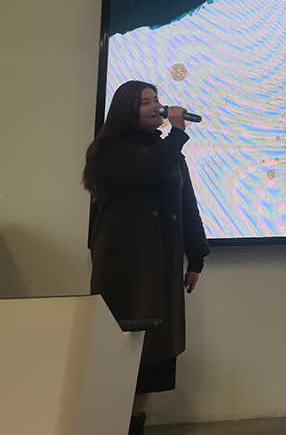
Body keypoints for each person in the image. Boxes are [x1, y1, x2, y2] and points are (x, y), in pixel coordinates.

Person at [83, 80, 210, 435]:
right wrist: (177, 134)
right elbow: (142, 173)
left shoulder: (164, 149)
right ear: (126, 110)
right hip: (125, 269)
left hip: (162, 266)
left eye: (156, 100)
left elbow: (186, 205)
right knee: (124, 351)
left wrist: (196, 256)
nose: (156, 106)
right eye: (145, 102)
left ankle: (136, 424)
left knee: (153, 358)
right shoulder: (108, 150)